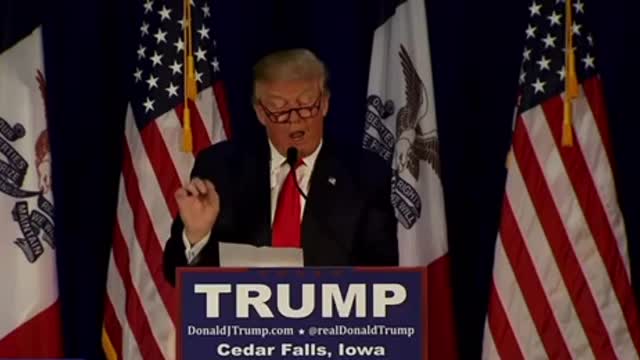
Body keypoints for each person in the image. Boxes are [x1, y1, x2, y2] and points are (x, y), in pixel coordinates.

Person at [163, 48, 398, 285]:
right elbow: (175, 275)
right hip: (240, 321)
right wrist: (197, 235)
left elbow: (382, 276)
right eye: (280, 109)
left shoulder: (365, 174)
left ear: (325, 103)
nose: (295, 118)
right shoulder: (221, 167)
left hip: (332, 319)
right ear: (260, 113)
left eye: (307, 105)